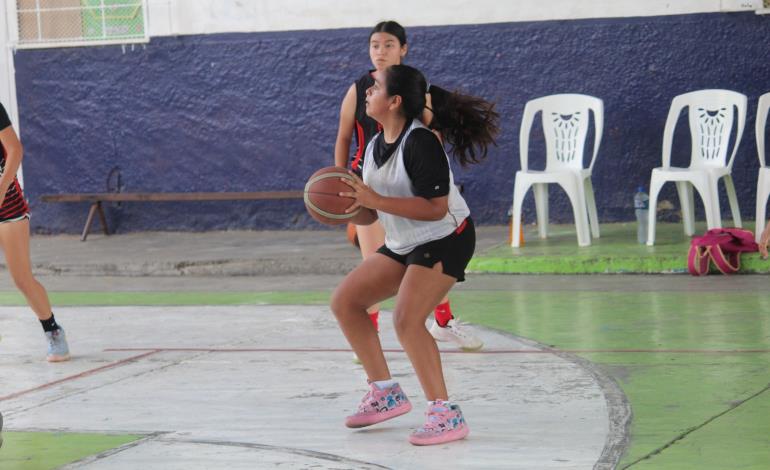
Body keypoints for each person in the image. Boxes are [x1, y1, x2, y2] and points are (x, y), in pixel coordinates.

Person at [330, 64, 498, 445]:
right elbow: (372, 211)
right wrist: (343, 207)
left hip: (446, 237)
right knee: (346, 301)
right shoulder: (374, 146)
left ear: (394, 101)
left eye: (375, 88)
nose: (367, 93)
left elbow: (436, 207)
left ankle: (445, 413)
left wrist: (374, 199)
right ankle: (384, 391)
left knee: (407, 320)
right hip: (406, 240)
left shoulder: (421, 142)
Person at [333, 20, 482, 351]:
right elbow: (344, 135)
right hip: (369, 182)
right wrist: (339, 177)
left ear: (403, 49)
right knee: (375, 262)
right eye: (375, 45)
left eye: (388, 44)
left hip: (408, 181)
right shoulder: (359, 89)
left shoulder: (418, 91)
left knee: (428, 255)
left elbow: (434, 133)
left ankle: (443, 321)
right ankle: (368, 333)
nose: (380, 51)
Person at [0, 102, 70, 362]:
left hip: (7, 207)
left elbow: (15, 150)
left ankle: (52, 330)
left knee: (21, 278)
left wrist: (1, 188)